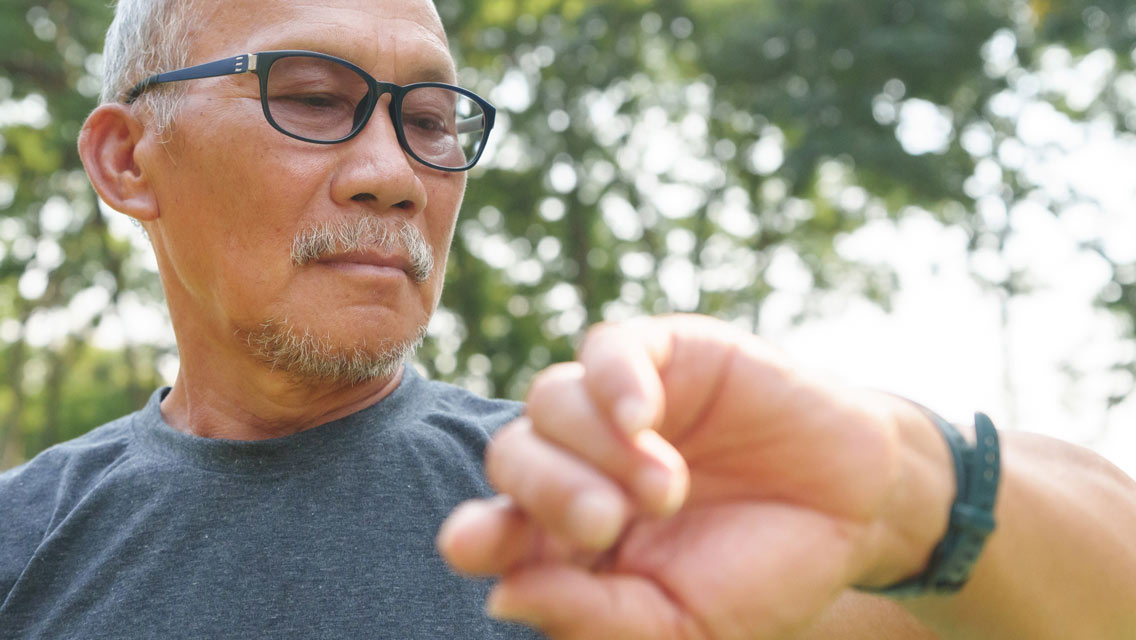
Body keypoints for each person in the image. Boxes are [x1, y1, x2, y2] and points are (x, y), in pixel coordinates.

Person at [2, 0, 1134, 637]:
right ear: (125, 156)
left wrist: (905, 486)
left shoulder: (600, 510)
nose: (394, 172)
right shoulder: (25, 542)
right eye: (311, 98)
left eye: (434, 118)